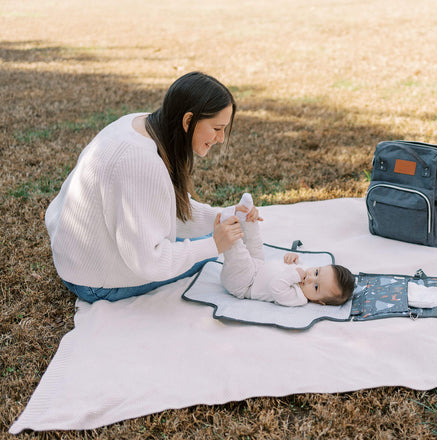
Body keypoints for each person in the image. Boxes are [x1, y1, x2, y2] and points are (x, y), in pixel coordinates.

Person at [45, 72, 254, 303]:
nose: (222, 138)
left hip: (74, 259)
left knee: (212, 241)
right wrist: (214, 245)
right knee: (208, 252)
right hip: (93, 282)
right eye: (217, 128)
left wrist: (225, 215)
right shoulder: (141, 163)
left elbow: (164, 208)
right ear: (188, 121)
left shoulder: (140, 124)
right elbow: (149, 263)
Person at [220, 194, 355, 307]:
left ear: (319, 301)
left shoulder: (298, 298)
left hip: (244, 284)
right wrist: (293, 258)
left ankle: (228, 229)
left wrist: (295, 275)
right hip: (257, 266)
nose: (310, 278)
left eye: (315, 287)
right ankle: (247, 217)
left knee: (240, 256)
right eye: (317, 272)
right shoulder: (304, 272)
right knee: (255, 244)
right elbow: (293, 266)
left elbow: (276, 287)